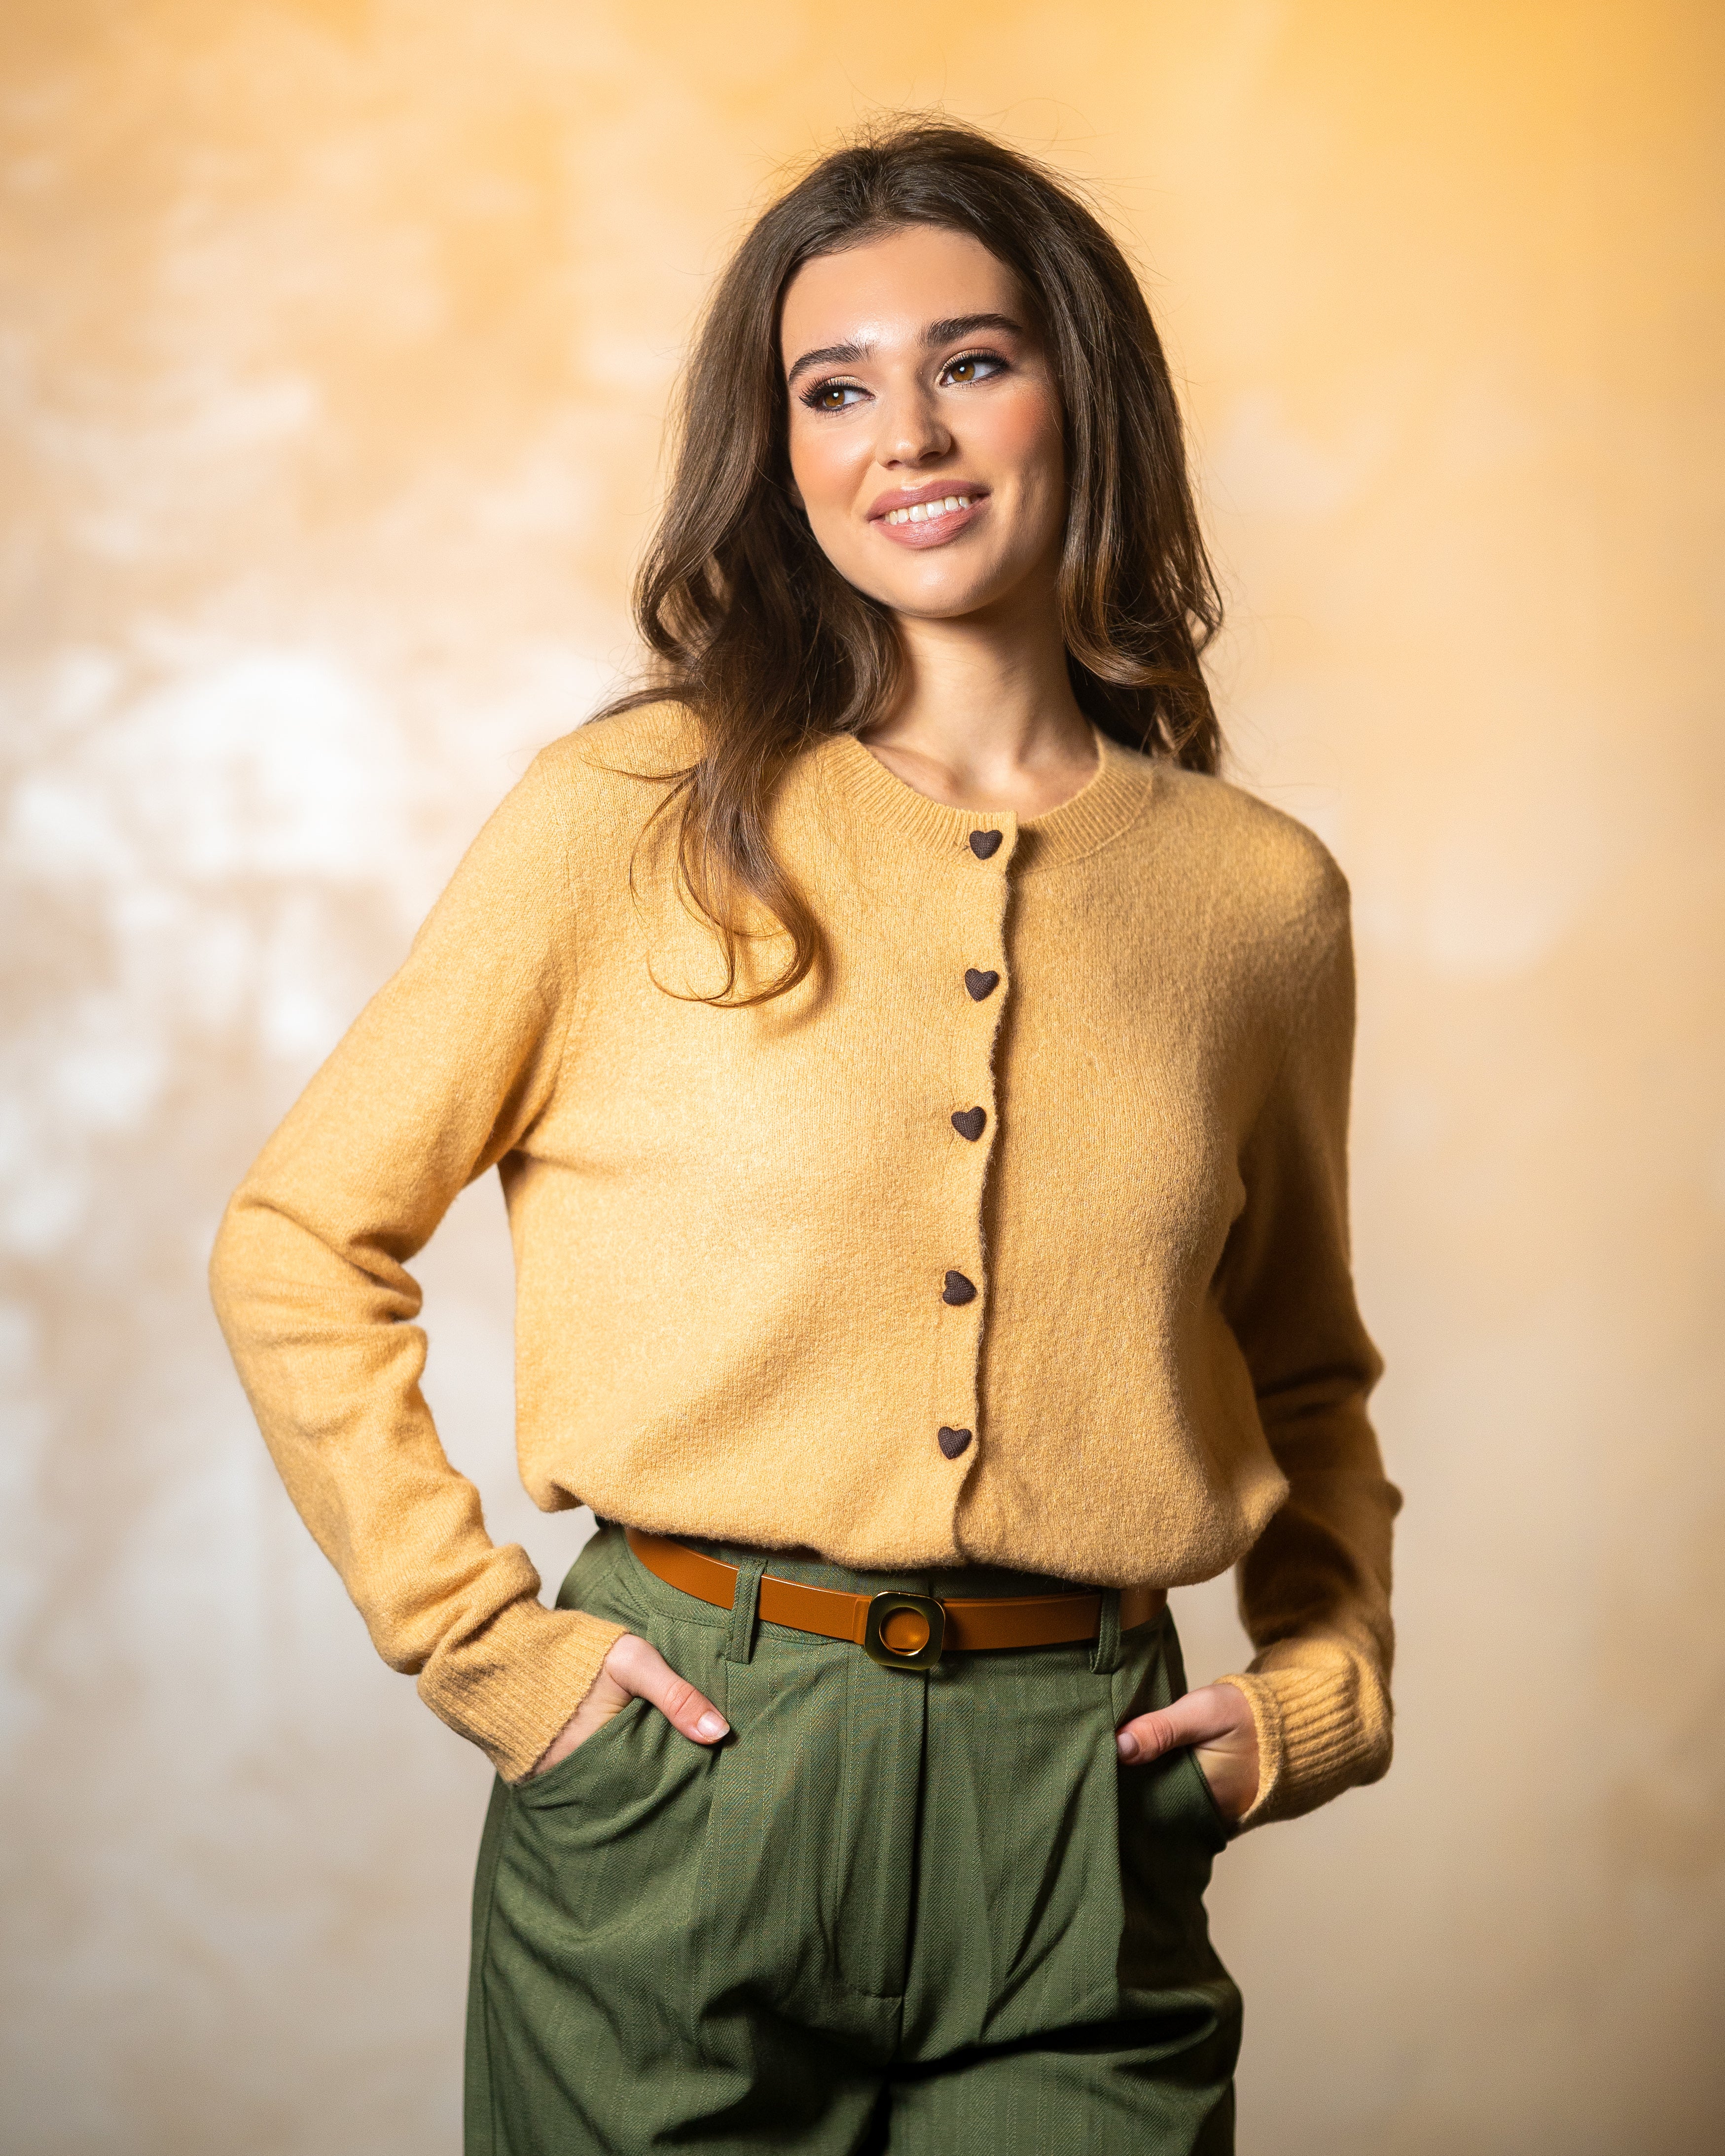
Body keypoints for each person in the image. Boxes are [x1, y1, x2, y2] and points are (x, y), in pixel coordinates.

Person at [212, 119, 1399, 2156]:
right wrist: (488, 1652)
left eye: (968, 363)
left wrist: (1319, 1686)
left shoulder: (1256, 903)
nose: (902, 437)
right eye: (832, 390)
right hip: (685, 1777)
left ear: (1080, 392)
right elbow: (300, 1238)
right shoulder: (634, 813)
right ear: (775, 454)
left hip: (1082, 1802)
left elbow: (1302, 1368)